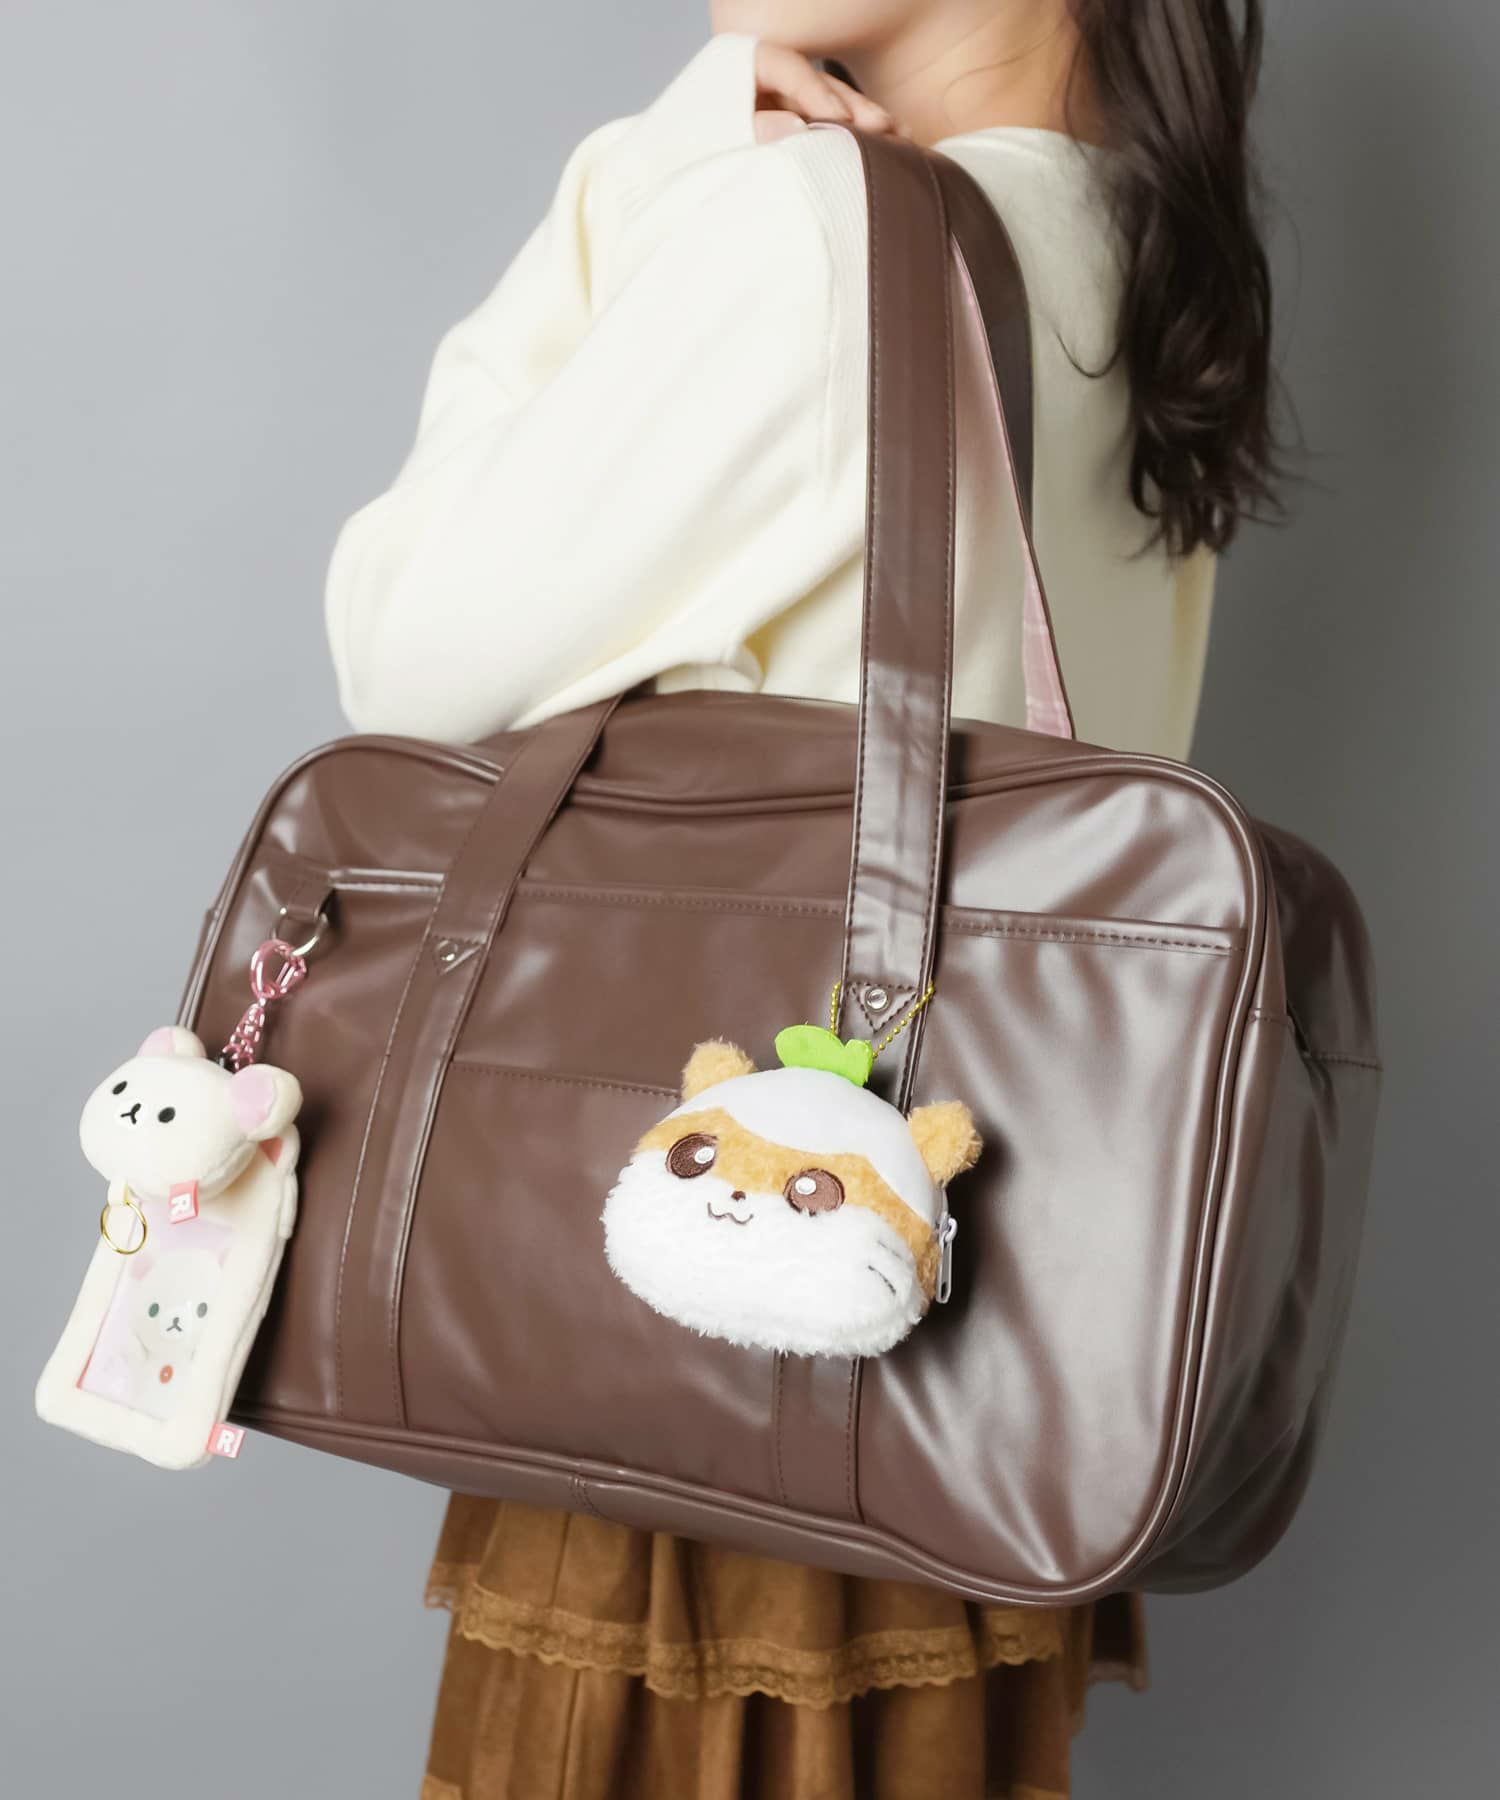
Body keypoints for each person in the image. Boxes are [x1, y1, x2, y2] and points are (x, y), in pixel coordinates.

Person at [324, 6, 1286, 1795]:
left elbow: (403, 651)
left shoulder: (812, 231)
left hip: (710, 1359)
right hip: (967, 1391)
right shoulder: (1135, 249)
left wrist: (626, 179)